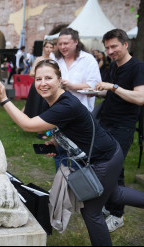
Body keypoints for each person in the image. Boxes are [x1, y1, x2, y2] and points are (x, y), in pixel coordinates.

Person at [0, 59, 144, 246]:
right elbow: (66, 127)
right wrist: (56, 143)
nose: (43, 83)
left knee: (91, 212)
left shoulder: (66, 105)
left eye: (48, 78)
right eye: (38, 79)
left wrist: (4, 100)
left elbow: (28, 125)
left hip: (103, 159)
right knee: (113, 194)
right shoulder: (53, 100)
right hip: (108, 152)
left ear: (59, 79)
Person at [94, 29, 144, 233]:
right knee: (107, 168)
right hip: (106, 122)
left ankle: (117, 214)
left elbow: (140, 98)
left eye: (113, 46)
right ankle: (109, 205)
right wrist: (94, 90)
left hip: (123, 126)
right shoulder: (113, 66)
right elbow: (110, 92)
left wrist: (112, 87)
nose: (110, 51)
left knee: (115, 170)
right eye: (107, 48)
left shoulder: (138, 67)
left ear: (125, 44)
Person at [54, 27, 101, 170]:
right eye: (60, 43)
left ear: (75, 42)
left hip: (81, 114)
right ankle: (60, 183)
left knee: (78, 153)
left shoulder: (88, 59)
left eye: (66, 43)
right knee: (60, 151)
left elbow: (95, 84)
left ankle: (77, 186)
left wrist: (72, 86)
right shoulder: (54, 59)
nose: (62, 47)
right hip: (58, 111)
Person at [24, 40, 54, 140]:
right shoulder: (39, 59)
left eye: (51, 47)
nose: (49, 49)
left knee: (48, 108)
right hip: (39, 87)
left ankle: (50, 130)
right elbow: (31, 73)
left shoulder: (53, 60)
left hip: (49, 87)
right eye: (47, 47)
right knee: (39, 107)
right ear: (43, 48)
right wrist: (42, 75)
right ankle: (40, 132)